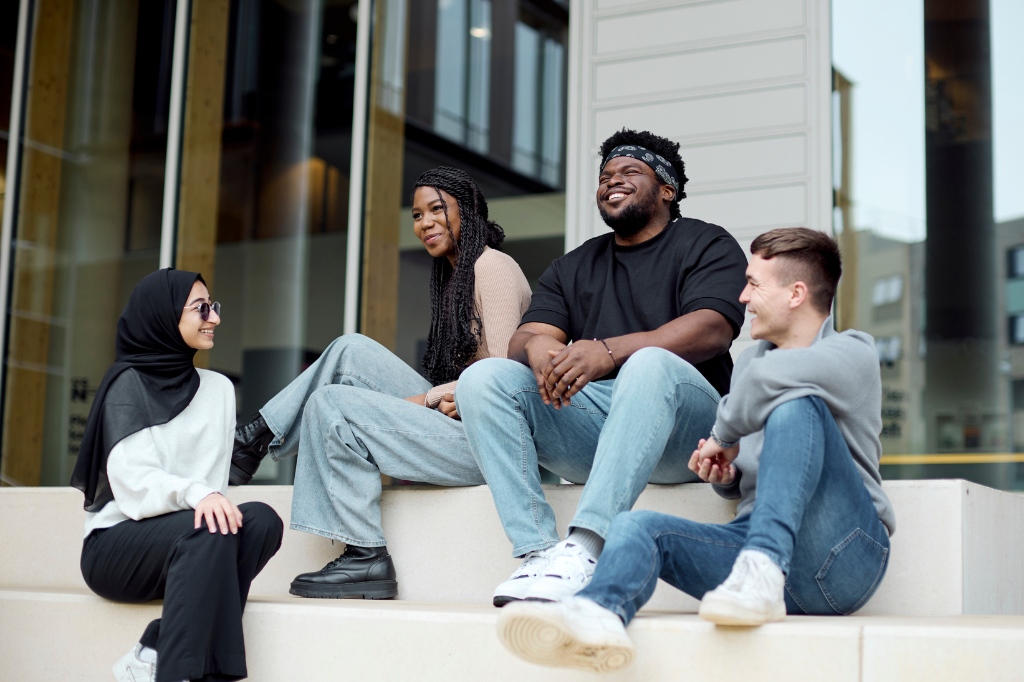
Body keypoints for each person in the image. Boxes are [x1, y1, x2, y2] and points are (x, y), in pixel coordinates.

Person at [495, 228, 896, 673]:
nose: (743, 297)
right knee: (636, 526)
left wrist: (723, 438)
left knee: (796, 404)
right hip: (753, 567)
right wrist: (727, 475)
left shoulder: (851, 351)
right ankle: (600, 614)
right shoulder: (749, 363)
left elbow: (770, 383)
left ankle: (764, 564)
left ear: (797, 293)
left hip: (844, 554)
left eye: (755, 284)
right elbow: (754, 472)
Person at [455, 129, 748, 607]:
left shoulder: (705, 243)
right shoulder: (575, 265)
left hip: (690, 435)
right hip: (601, 428)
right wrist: (541, 353)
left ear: (667, 190)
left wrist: (608, 351)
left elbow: (714, 327)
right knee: (484, 379)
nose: (612, 180)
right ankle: (539, 553)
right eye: (605, 175)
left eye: (629, 171)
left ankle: (588, 547)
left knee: (651, 364)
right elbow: (527, 337)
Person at [229, 166, 532, 599]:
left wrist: (430, 397)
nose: (424, 222)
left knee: (333, 403)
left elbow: (503, 378)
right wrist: (440, 397)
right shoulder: (456, 277)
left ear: (466, 211)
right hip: (463, 422)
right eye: (416, 214)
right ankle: (255, 437)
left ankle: (365, 555)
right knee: (350, 348)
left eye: (436, 209)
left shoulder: (494, 268)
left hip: (494, 442)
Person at [72, 269, 283, 682]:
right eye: (200, 308)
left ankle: (157, 644)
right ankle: (179, 673)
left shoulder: (219, 389)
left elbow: (215, 486)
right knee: (207, 526)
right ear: (164, 316)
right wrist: (196, 495)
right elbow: (133, 482)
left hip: (189, 546)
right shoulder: (127, 386)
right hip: (117, 546)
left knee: (261, 521)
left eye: (213, 306)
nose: (214, 317)